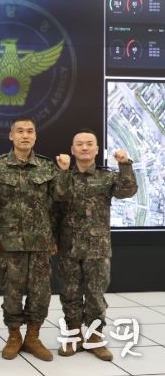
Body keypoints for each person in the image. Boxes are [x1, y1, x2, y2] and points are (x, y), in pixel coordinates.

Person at [54, 129, 137, 361]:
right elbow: (58, 197)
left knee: (95, 295)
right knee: (69, 294)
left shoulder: (106, 176)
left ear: (97, 149)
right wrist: (63, 171)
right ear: (72, 150)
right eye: (79, 144)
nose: (84, 147)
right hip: (68, 247)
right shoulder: (63, 175)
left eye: (89, 143)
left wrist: (125, 165)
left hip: (97, 248)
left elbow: (127, 191)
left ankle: (94, 338)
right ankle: (73, 336)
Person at [0, 117, 58, 362]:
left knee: (41, 293)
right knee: (12, 293)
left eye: (30, 131)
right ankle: (14, 336)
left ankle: (33, 337)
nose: (25, 136)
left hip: (41, 243)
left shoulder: (47, 167)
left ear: (35, 136)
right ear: (11, 135)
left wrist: (54, 238)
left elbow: (57, 206)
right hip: (10, 242)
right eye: (20, 131)